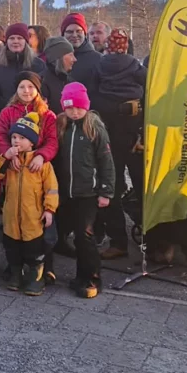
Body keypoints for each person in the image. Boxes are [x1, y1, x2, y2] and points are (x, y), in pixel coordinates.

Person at [54, 83, 115, 298]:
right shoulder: (61, 125)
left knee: (85, 235)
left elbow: (106, 160)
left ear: (86, 106)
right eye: (70, 108)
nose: (75, 112)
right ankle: (79, 276)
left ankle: (92, 278)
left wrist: (106, 191)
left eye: (78, 108)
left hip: (88, 192)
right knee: (72, 235)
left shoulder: (94, 127)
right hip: (66, 192)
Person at [0, 113, 58, 296]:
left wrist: (49, 209)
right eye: (14, 137)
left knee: (34, 250)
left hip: (32, 218)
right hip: (12, 217)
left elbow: (51, 188)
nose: (16, 141)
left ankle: (36, 277)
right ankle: (15, 274)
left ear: (32, 142)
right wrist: (5, 156)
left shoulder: (42, 164)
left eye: (21, 138)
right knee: (13, 248)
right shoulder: (10, 161)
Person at [95, 29, 146, 260]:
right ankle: (152, 240)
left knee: (111, 189)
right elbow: (153, 93)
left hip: (109, 135)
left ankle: (118, 241)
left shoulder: (100, 66)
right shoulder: (136, 67)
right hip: (136, 137)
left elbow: (94, 98)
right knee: (143, 188)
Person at [0, 24, 47, 131]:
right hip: (4, 124)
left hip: (33, 124)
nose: (15, 41)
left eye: (19, 38)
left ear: (26, 41)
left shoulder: (37, 64)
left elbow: (44, 94)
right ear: (6, 41)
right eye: (12, 38)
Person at [61, 13, 102, 90]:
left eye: (79, 31)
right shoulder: (55, 58)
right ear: (63, 34)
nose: (74, 35)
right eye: (70, 32)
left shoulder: (99, 59)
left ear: (85, 33)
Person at [39, 37, 75, 114]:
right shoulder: (42, 81)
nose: (75, 59)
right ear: (59, 57)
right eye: (71, 55)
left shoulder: (69, 80)